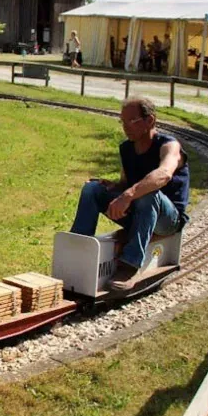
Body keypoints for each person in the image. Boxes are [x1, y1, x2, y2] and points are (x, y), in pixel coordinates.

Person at [70, 97, 190, 291]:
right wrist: (114, 187)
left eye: (131, 121)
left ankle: (129, 265)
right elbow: (126, 184)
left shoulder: (169, 146)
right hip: (140, 212)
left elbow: (164, 174)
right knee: (92, 189)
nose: (125, 127)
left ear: (150, 120)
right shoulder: (126, 148)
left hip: (168, 220)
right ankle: (77, 249)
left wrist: (127, 195)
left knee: (148, 193)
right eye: (122, 121)